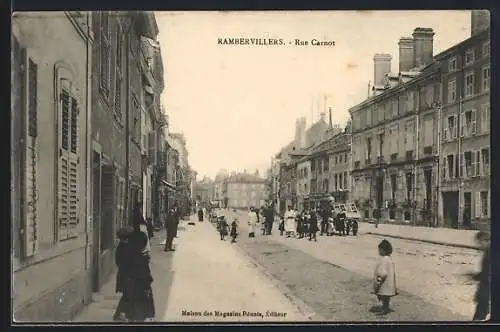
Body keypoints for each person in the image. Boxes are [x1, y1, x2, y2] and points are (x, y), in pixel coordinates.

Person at [128, 230, 155, 321]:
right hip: (141, 290)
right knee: (140, 314)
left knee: (133, 313)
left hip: (132, 288)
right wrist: (148, 286)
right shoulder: (141, 258)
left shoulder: (132, 255)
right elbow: (145, 276)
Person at [113, 226, 134, 321]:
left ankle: (122, 314)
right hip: (126, 276)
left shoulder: (123, 247)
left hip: (125, 275)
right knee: (128, 295)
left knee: (128, 295)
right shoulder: (124, 248)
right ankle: (119, 315)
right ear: (127, 238)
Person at [372, 239, 397, 315]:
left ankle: (385, 309)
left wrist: (379, 280)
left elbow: (383, 272)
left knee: (384, 296)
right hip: (389, 282)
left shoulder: (384, 260)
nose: (379, 251)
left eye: (380, 250)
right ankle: (385, 308)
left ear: (384, 250)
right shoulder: (389, 259)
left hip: (384, 282)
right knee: (386, 297)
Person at [472, 231, 491, 321]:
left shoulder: (490, 254)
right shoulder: (488, 252)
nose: (479, 245)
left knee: (478, 317)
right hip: (485, 291)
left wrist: (475, 277)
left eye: (480, 242)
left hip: (487, 292)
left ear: (486, 241)